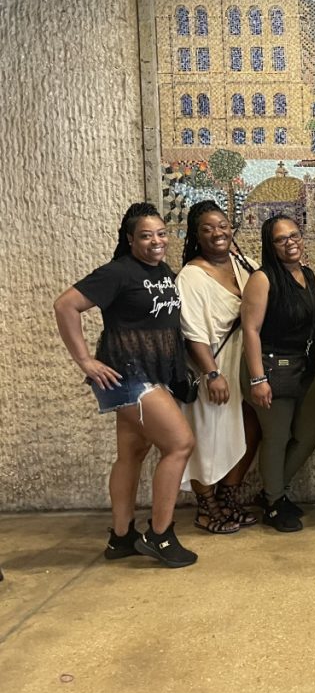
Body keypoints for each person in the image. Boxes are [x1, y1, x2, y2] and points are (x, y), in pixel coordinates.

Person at [53, 202, 198, 568]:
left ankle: (121, 537)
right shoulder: (118, 272)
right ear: (130, 239)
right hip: (128, 375)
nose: (156, 241)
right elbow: (65, 305)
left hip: (152, 374)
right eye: (146, 236)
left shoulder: (163, 269)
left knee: (132, 455)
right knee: (180, 444)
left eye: (161, 234)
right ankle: (160, 535)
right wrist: (85, 360)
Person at [241, 215, 315, 532]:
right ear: (271, 245)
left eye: (294, 235)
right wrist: (257, 379)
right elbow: (251, 330)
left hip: (304, 368)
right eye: (281, 239)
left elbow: (314, 307)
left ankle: (273, 491)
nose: (290, 242)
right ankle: (273, 502)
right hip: (271, 369)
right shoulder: (263, 279)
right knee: (277, 437)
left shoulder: (306, 274)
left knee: (309, 433)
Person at [177, 201, 260, 534]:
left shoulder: (246, 266)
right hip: (211, 368)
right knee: (208, 437)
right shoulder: (191, 276)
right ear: (197, 235)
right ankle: (206, 508)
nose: (217, 233)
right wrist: (212, 373)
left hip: (243, 366)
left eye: (222, 225)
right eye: (208, 228)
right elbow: (192, 332)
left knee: (249, 429)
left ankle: (228, 497)